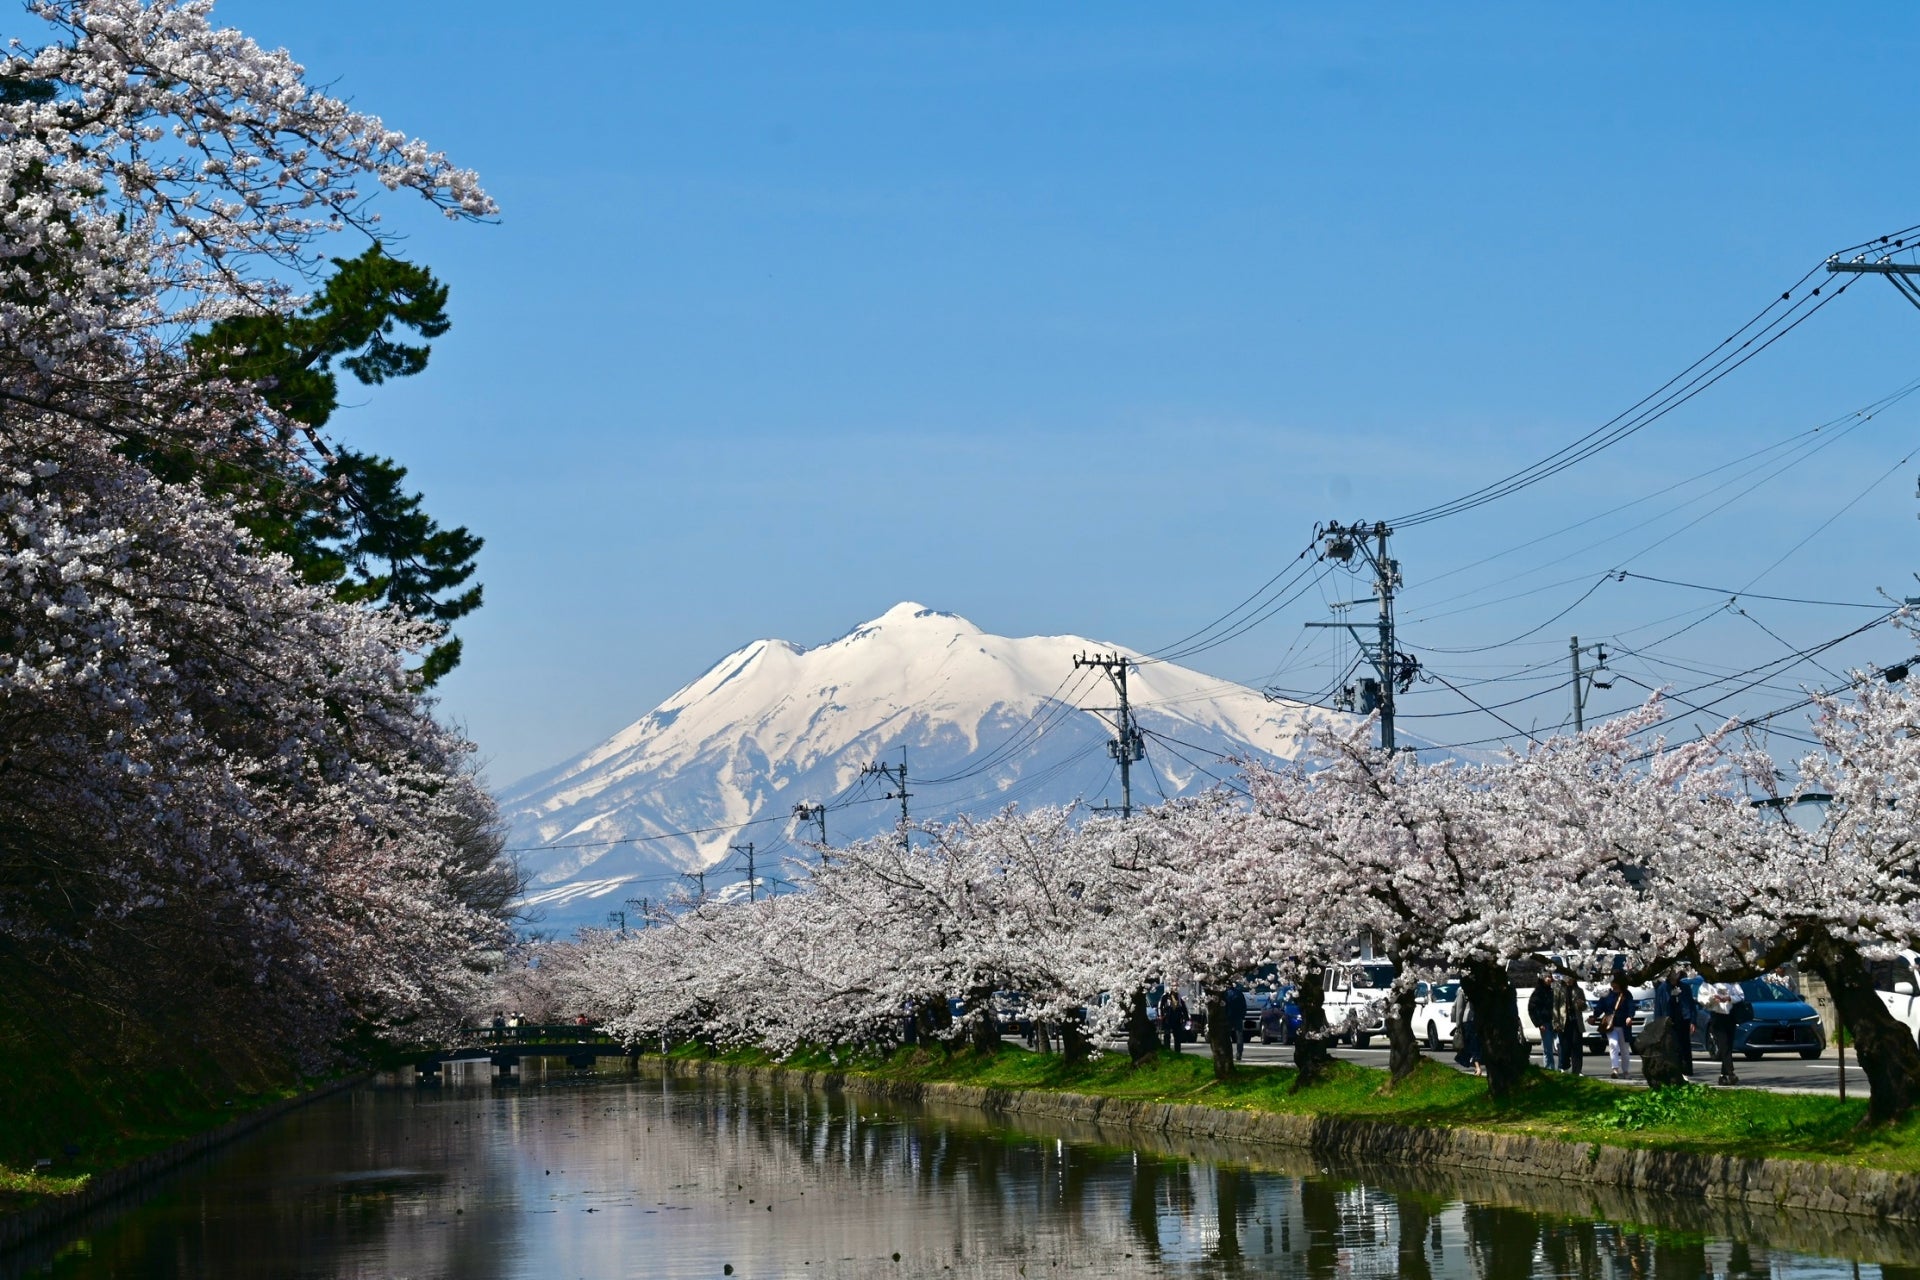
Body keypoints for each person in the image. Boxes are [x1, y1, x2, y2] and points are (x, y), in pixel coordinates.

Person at [1653, 970, 1697, 1077]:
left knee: (1684, 1045)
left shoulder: (1685, 987)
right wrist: (1658, 1024)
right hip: (1668, 1021)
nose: (1675, 975)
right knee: (1670, 1046)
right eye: (1673, 972)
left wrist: (1693, 1021)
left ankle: (1686, 1070)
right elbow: (1658, 1007)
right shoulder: (1663, 988)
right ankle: (1672, 1071)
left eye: (1678, 972)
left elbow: (1691, 1005)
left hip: (1683, 1019)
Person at [1699, 979, 1742, 1085]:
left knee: (1729, 1045)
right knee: (1723, 1045)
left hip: (1730, 1017)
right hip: (1717, 1017)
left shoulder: (1732, 983)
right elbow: (1702, 999)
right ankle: (1731, 1073)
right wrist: (1713, 999)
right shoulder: (1708, 984)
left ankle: (1723, 1076)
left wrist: (1729, 998)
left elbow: (1740, 996)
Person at [1595, 976, 1635, 1078]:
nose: (1612, 983)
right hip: (1611, 1025)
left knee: (1625, 1049)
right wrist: (1594, 1016)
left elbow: (1631, 1006)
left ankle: (1626, 1071)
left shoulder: (1626, 994)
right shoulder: (1607, 994)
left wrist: (1630, 1017)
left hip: (1623, 1025)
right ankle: (1615, 1069)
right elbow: (1600, 1007)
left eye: (1614, 981)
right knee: (1613, 1044)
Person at [1553, 971, 1585, 1075]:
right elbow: (1555, 1008)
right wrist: (1556, 1022)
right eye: (1567, 978)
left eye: (1571, 978)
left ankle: (1577, 1070)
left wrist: (1581, 1005)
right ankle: (1564, 1066)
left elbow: (1584, 1006)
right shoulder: (1558, 990)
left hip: (1576, 1020)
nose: (1569, 980)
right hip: (1563, 1021)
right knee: (1565, 1046)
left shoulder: (1579, 990)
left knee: (1577, 1046)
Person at [1451, 984, 1482, 1076]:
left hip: (1469, 1021)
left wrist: (1458, 1024)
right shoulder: (1482, 989)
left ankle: (1477, 1066)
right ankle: (1476, 1066)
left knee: (1473, 1045)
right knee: (1474, 1044)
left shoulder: (1463, 991)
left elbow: (1459, 1009)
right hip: (1477, 1020)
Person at [1528, 973, 1556, 1069]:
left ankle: (1561, 1067)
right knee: (1548, 1048)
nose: (1548, 979)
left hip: (1555, 1022)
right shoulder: (1538, 992)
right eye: (1546, 977)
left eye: (1550, 977)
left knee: (1560, 1045)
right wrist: (1539, 1023)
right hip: (1545, 1023)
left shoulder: (1553, 991)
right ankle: (1549, 1067)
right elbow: (1532, 1008)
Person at [1223, 985, 1249, 1061]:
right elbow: (1244, 1005)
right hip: (1238, 1016)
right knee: (1239, 1035)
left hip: (1228, 1016)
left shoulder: (1225, 994)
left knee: (1227, 1036)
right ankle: (1239, 1053)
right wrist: (1243, 1015)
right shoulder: (1239, 993)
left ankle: (1227, 1053)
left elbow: (1223, 1006)